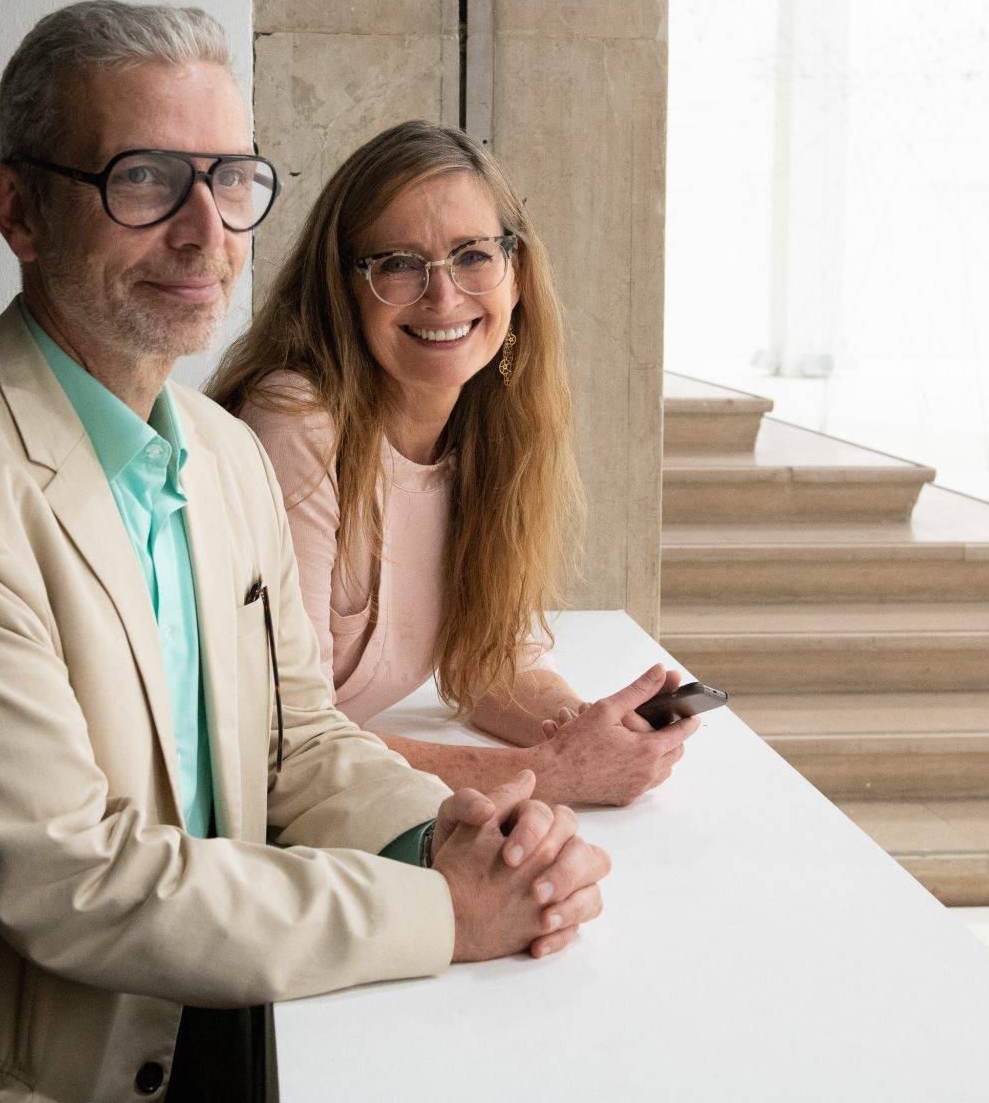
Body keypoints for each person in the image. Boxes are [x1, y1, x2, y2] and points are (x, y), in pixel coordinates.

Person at [0, 3, 612, 1103]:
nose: (204, 233)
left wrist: (463, 835)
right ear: (18, 211)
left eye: (229, 179)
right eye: (143, 180)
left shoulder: (225, 455)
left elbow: (299, 748)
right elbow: (73, 881)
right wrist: (445, 909)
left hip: (192, 1048)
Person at [208, 121, 697, 809]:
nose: (442, 297)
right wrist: (555, 774)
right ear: (342, 287)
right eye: (399, 264)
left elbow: (496, 664)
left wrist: (591, 727)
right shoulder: (296, 419)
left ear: (516, 272)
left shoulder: (490, 429)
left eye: (472, 255)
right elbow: (284, 740)